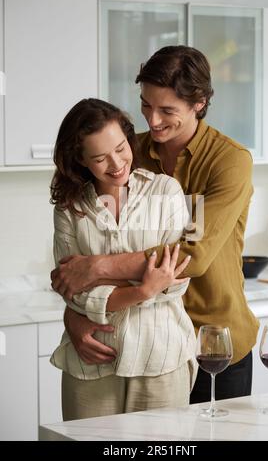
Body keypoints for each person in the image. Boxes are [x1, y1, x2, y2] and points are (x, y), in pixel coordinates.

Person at [51, 45, 259, 404]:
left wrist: (97, 268)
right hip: (142, 337)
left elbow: (194, 255)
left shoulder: (229, 161)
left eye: (167, 110)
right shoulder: (127, 152)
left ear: (199, 103)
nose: (153, 120)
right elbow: (87, 253)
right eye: (146, 105)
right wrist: (76, 316)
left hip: (213, 340)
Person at [49, 98, 198, 420]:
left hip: (161, 355)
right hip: (92, 357)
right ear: (80, 159)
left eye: (120, 148)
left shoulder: (169, 190)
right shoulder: (68, 208)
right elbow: (72, 289)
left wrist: (97, 272)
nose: (116, 163)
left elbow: (181, 276)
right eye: (100, 158)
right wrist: (144, 288)